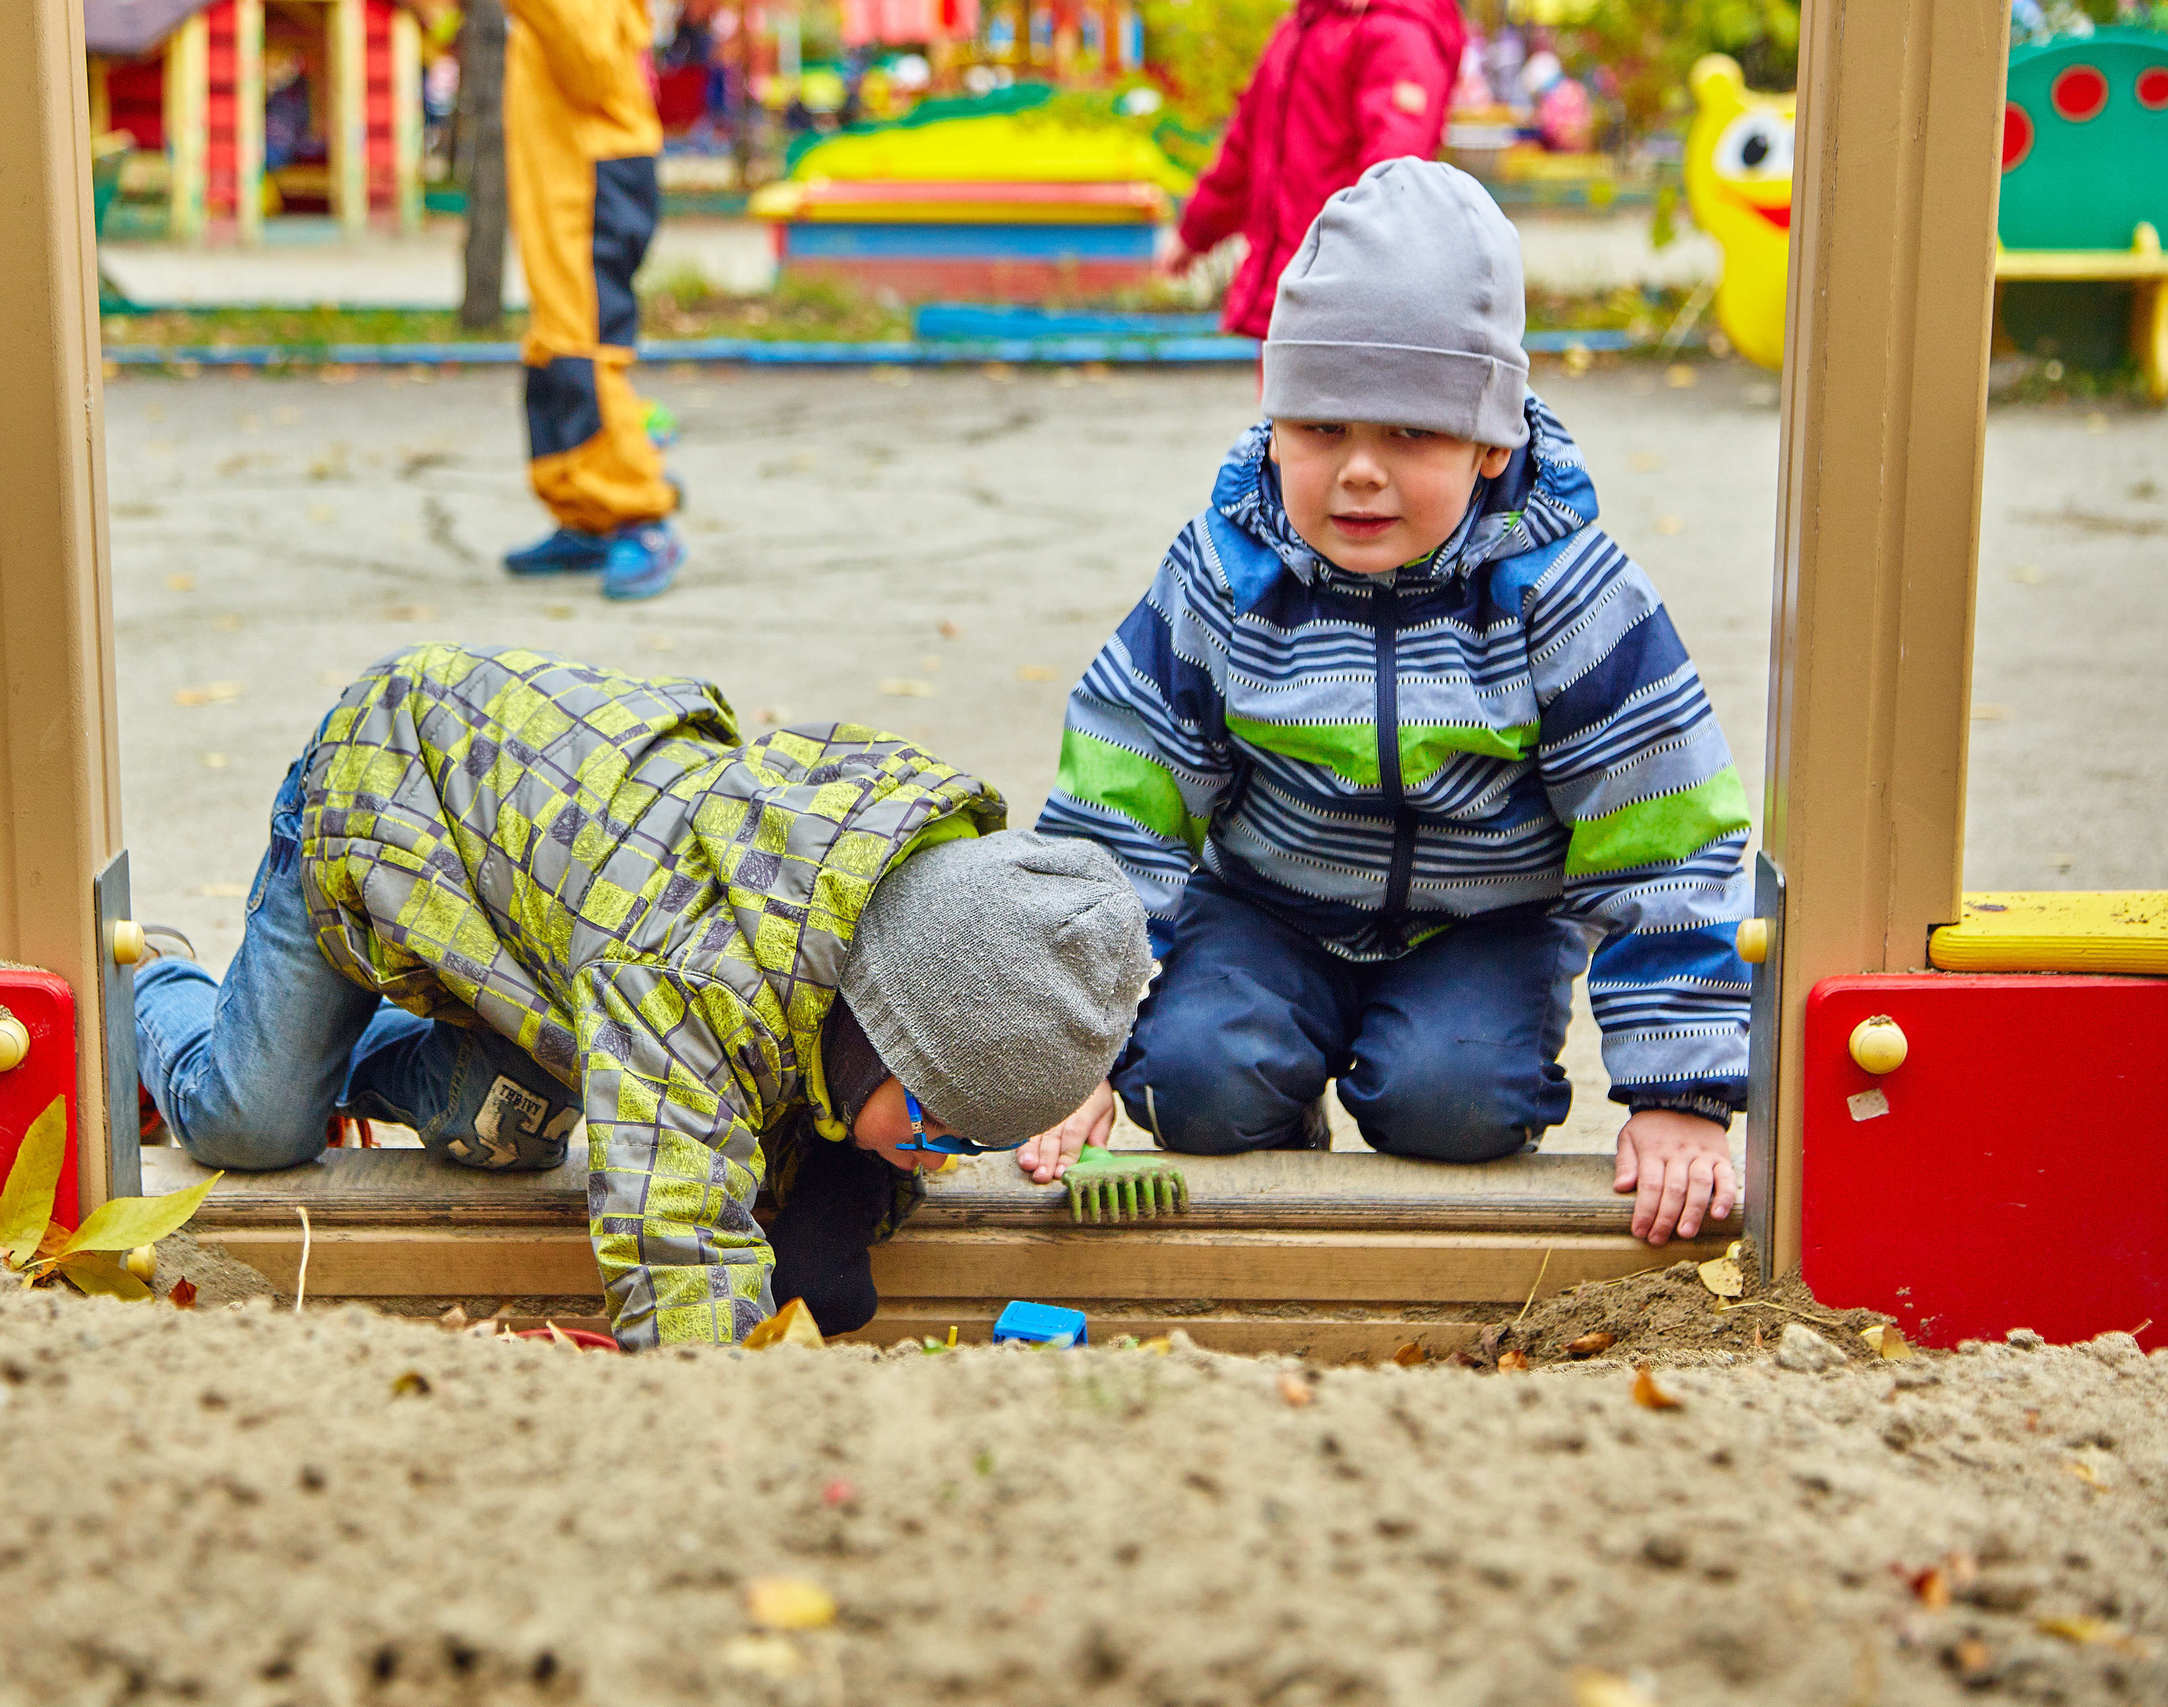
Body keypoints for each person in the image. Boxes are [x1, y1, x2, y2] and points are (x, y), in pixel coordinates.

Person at [1023, 161, 1751, 1248]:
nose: (1358, 473)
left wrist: (1677, 1093)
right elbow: (1121, 794)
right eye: (1320, 428)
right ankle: (1275, 1163)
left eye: (1409, 435)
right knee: (1193, 1085)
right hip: (1268, 902)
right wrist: (1068, 1045)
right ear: (1275, 424)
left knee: (1451, 1107)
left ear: (1490, 443)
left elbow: (1663, 827)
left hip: (1484, 920)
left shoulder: (1563, 593)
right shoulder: (1228, 572)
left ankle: (1425, 1071)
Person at [136, 645, 1152, 1349]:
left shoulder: (908, 924)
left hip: (535, 931)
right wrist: (717, 1401)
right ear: (884, 1032)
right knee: (253, 1121)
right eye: (935, 1132)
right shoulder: (695, 976)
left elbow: (811, 1087)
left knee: (504, 1131)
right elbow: (673, 1234)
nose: (937, 1159)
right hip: (383, 806)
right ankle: (148, 986)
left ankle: (341, 1057)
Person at [495, 0, 686, 601]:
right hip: (566, 181)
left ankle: (640, 517)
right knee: (558, 343)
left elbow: (593, 66)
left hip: (593, 184)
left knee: (586, 347)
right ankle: (586, 510)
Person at [1168, 0, 1464, 344]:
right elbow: (1245, 146)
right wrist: (1196, 231)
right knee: (1284, 392)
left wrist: (1351, 273)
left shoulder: (1395, 31)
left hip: (1344, 302)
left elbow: (1392, 174)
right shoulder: (1303, 27)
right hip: (1292, 288)